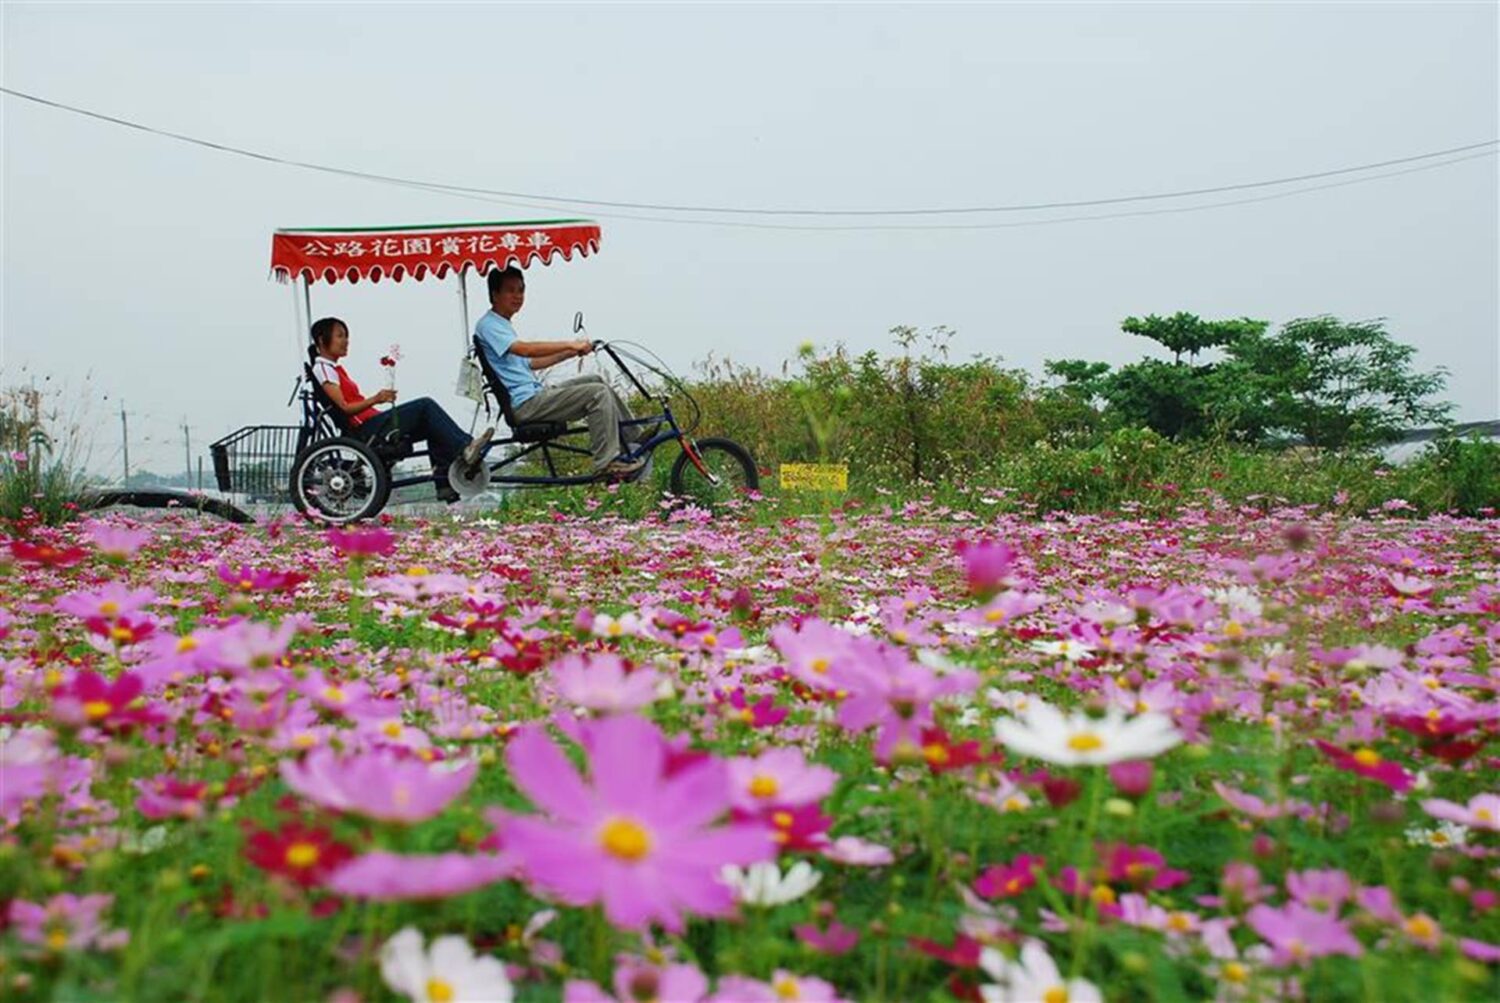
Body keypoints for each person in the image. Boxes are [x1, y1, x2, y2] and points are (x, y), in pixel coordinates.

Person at [475, 266, 646, 480]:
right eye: (510, 290)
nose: (518, 296)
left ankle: (635, 438)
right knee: (597, 393)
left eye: (521, 290)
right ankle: (607, 463)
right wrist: (569, 344)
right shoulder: (489, 325)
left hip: (535, 394)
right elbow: (524, 349)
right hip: (526, 404)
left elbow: (530, 362)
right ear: (494, 294)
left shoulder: (502, 325)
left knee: (596, 380)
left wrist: (571, 352)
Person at [307, 317, 490, 503]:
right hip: (367, 429)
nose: (346, 341)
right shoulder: (323, 368)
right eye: (340, 336)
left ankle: (444, 484)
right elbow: (345, 408)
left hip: (374, 422)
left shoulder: (334, 369)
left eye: (346, 336)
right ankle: (465, 446)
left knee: (431, 425)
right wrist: (376, 399)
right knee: (426, 406)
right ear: (322, 340)